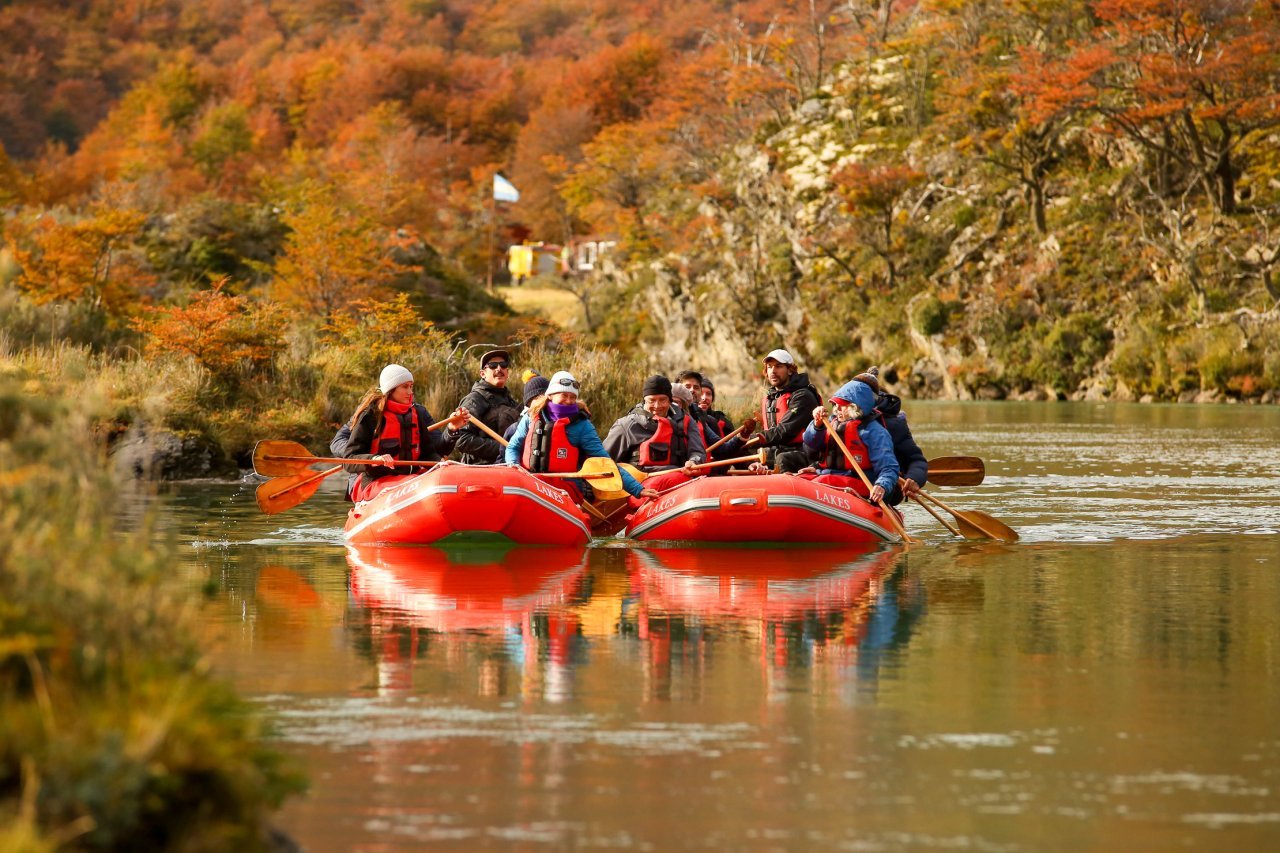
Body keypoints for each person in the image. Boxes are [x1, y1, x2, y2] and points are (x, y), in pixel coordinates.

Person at [506, 370, 656, 502]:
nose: (569, 401)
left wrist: (638, 490)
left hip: (565, 491)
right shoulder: (532, 416)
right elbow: (514, 446)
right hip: (531, 483)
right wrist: (513, 464)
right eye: (564, 395)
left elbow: (605, 462)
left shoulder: (582, 426)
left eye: (572, 397)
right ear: (550, 395)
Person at [342, 363, 470, 501]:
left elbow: (428, 453)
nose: (410, 392)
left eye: (411, 386)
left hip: (412, 478)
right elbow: (349, 460)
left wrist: (439, 463)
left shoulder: (416, 414)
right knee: (415, 483)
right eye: (405, 387)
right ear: (390, 390)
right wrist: (373, 459)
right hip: (377, 482)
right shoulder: (371, 416)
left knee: (442, 477)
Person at [800, 379, 899, 503]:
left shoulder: (874, 431)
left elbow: (888, 467)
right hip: (827, 475)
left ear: (855, 407)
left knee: (820, 482)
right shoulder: (831, 423)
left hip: (857, 481)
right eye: (835, 405)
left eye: (842, 406)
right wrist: (816, 425)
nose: (837, 409)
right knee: (797, 479)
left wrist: (882, 485)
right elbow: (810, 447)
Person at [603, 374, 706, 493]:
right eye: (652, 401)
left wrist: (694, 461)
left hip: (680, 483)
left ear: (670, 400)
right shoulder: (626, 425)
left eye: (662, 400)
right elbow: (604, 460)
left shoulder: (686, 421)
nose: (657, 406)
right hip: (641, 488)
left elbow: (697, 451)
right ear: (644, 400)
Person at [856, 366, 928, 506]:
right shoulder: (840, 419)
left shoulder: (894, 425)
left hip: (882, 487)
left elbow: (916, 461)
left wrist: (914, 478)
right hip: (845, 482)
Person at [742, 349, 820, 473]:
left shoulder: (803, 396)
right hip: (778, 449)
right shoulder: (771, 397)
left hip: (805, 452)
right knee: (740, 452)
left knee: (782, 459)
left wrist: (751, 439)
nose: (773, 371)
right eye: (769, 367)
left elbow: (784, 431)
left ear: (790, 370)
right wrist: (740, 440)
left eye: (778, 366)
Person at [455, 348, 521, 464]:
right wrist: (503, 448)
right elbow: (461, 439)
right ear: (482, 374)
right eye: (492, 365)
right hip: (480, 470)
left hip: (507, 468)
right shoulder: (474, 400)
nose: (499, 369)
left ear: (507, 372)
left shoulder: (512, 402)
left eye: (503, 365)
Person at [504, 373, 550, 441]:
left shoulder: (561, 421)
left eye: (546, 398)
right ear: (529, 403)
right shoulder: (515, 429)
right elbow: (505, 450)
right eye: (537, 398)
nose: (542, 402)